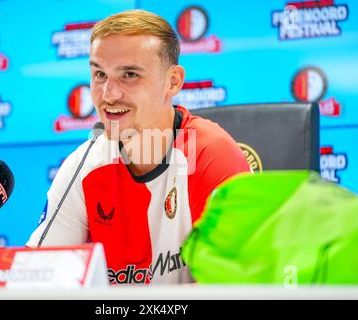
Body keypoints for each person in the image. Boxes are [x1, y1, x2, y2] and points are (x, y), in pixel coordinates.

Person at [27, 9, 251, 284]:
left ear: (173, 82)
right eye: (99, 74)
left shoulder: (211, 156)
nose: (109, 94)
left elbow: (239, 287)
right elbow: (41, 277)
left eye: (129, 74)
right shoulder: (84, 164)